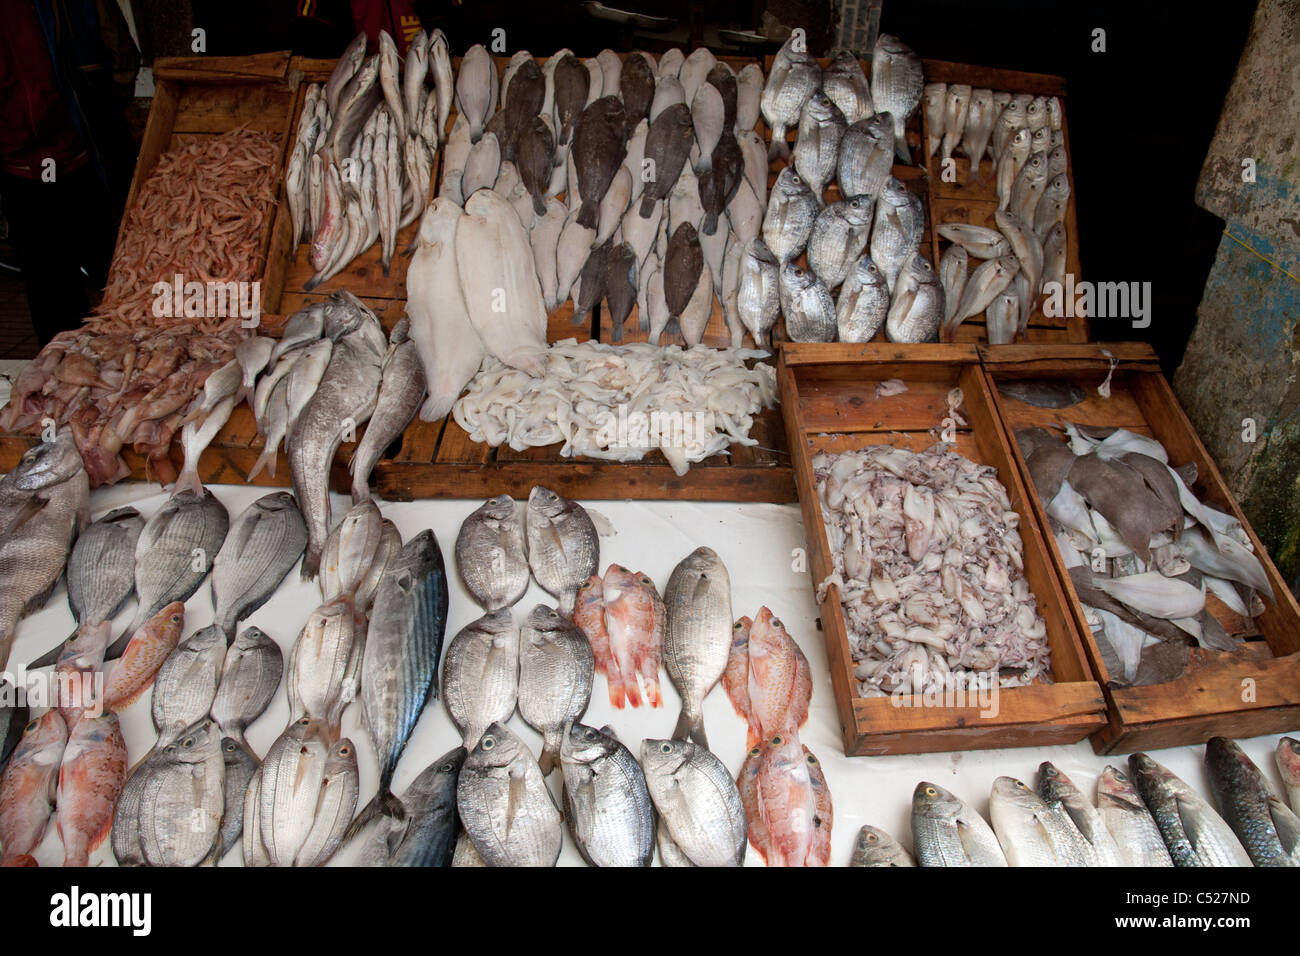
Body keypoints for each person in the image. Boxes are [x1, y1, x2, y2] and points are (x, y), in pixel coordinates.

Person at [0, 0, 138, 346]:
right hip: (20, 174)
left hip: (83, 156)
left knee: (122, 274)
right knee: (54, 299)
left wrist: (105, 114)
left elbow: (118, 50)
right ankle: (71, 378)